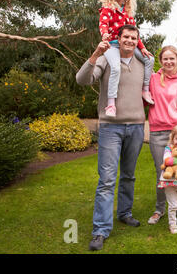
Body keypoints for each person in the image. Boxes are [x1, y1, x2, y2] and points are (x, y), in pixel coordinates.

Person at [76, 24, 146, 251]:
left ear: (137, 40)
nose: (130, 41)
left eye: (134, 38)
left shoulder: (142, 62)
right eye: (126, 36)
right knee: (106, 180)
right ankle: (100, 230)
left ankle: (125, 213)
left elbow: (160, 83)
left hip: (136, 127)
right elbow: (82, 80)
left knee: (128, 175)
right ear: (119, 38)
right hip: (110, 128)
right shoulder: (107, 59)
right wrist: (96, 54)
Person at [147, 45, 177, 225]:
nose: (169, 62)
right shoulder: (152, 79)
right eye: (165, 58)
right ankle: (160, 210)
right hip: (158, 132)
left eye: (172, 58)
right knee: (163, 171)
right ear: (161, 61)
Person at [98, 0, 155, 117]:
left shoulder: (127, 12)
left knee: (150, 59)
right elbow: (103, 24)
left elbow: (134, 32)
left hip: (129, 45)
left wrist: (141, 47)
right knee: (116, 68)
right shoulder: (107, 9)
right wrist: (104, 34)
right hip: (113, 45)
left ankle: (145, 90)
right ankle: (111, 104)